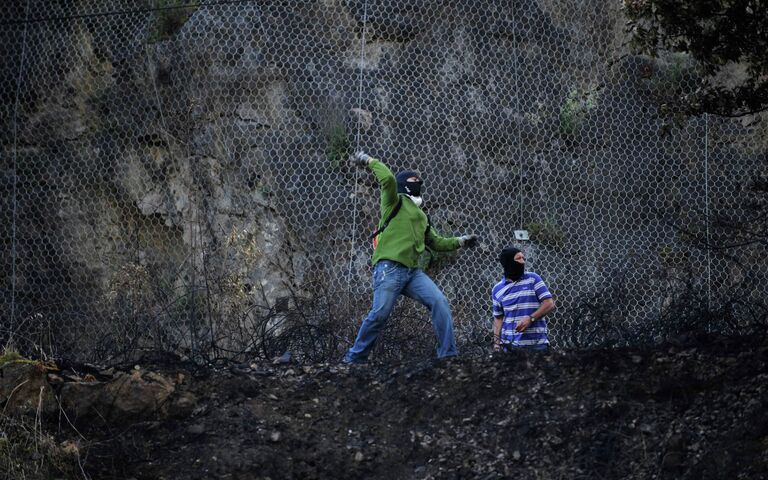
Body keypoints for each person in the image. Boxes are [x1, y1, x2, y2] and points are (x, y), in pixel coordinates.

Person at [343, 151, 479, 364]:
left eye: (419, 180)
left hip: (412, 272)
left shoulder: (423, 216)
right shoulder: (393, 200)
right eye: (414, 180)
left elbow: (436, 242)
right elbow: (387, 178)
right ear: (404, 183)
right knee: (380, 314)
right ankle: (354, 359)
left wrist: (461, 241)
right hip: (389, 267)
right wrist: (368, 160)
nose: (419, 183)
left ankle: (448, 356)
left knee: (439, 302)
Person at [491, 246, 555, 351]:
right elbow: (498, 318)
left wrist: (531, 319)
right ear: (508, 263)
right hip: (510, 347)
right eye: (518, 258)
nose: (522, 262)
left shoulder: (533, 279)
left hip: (537, 345)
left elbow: (549, 303)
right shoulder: (497, 290)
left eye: (523, 258)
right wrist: (497, 344)